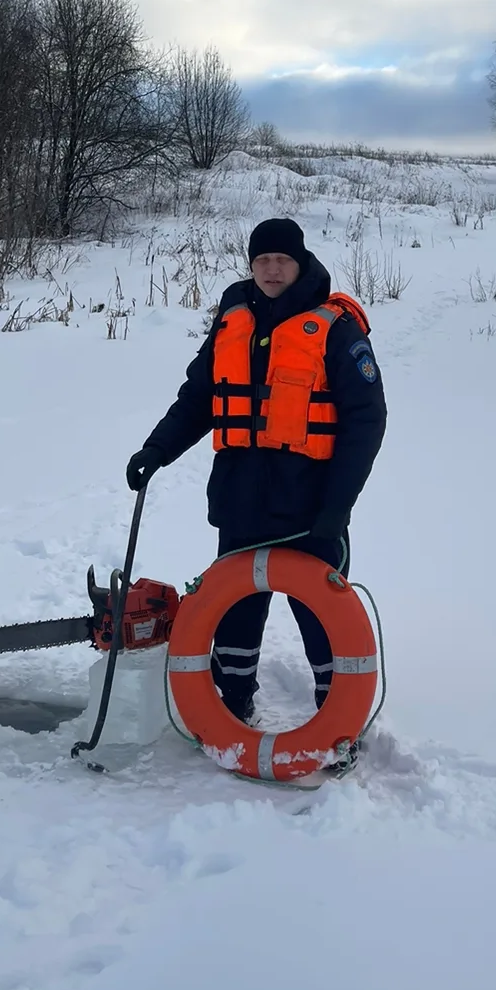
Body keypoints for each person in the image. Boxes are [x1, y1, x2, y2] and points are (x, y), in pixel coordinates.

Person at [126, 217, 386, 724]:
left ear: (300, 262)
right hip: (241, 499)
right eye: (261, 259)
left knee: (321, 616)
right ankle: (232, 703)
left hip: (310, 508)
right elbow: (199, 399)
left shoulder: (335, 328)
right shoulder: (232, 320)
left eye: (281, 259)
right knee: (235, 613)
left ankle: (337, 719)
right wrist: (156, 450)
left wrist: (338, 507)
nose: (271, 269)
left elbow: (366, 421)